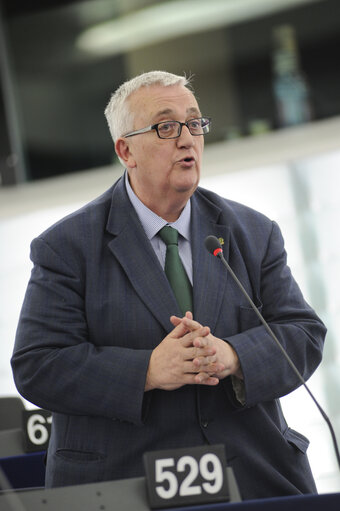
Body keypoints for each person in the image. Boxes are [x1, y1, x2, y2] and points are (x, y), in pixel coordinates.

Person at [11, 71, 326, 500]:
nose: (187, 139)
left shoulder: (252, 231)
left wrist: (232, 356)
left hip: (254, 474)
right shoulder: (66, 247)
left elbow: (303, 334)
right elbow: (38, 365)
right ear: (126, 151)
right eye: (166, 126)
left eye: (195, 123)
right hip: (122, 483)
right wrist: (148, 371)